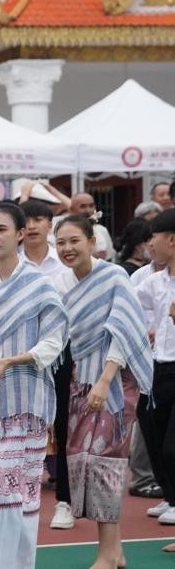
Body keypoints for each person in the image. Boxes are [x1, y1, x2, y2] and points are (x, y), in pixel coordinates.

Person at [0, 203, 69, 569]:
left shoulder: (41, 284)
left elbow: (54, 341)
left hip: (29, 402)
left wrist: (15, 359)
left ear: (20, 233)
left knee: (25, 496)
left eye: (1, 230)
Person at [53, 215, 153, 569]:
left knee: (106, 462)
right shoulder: (61, 282)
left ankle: (108, 553)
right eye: (61, 242)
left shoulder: (113, 276)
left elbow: (124, 328)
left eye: (74, 241)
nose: (67, 248)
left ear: (91, 242)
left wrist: (106, 379)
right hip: (81, 380)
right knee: (86, 463)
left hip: (112, 382)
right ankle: (115, 550)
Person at [18, 199, 73, 530]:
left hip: (61, 355)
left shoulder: (63, 266)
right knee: (20, 426)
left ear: (49, 224)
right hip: (19, 357)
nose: (34, 225)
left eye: (40, 218)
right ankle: (17, 497)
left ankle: (64, 501)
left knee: (63, 428)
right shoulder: (9, 265)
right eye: (28, 219)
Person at [135, 209, 175, 526]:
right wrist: (147, 328)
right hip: (157, 367)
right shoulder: (155, 281)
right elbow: (133, 308)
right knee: (151, 428)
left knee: (172, 445)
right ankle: (171, 496)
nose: (150, 244)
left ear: (171, 240)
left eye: (155, 238)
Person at [71, 192, 115, 261]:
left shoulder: (102, 230)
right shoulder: (65, 232)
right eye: (83, 206)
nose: (88, 210)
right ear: (72, 210)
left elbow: (110, 257)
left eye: (91, 206)